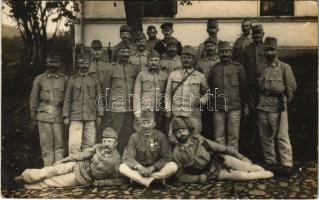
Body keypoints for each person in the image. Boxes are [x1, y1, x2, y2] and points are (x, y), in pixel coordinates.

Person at [14, 127, 125, 189]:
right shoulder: (98, 147)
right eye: (104, 140)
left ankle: (24, 186)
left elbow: (119, 180)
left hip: (82, 178)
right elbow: (81, 155)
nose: (105, 144)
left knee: (52, 182)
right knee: (51, 170)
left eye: (109, 141)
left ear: (116, 143)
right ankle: (22, 177)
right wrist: (64, 160)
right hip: (77, 166)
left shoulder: (116, 161)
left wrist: (101, 183)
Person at [171, 117, 274, 183]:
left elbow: (220, 148)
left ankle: (265, 170)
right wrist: (197, 179)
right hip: (208, 173)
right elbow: (180, 176)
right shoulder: (176, 153)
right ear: (175, 135)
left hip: (219, 159)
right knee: (239, 176)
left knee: (245, 166)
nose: (182, 133)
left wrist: (241, 157)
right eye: (178, 132)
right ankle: (263, 175)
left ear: (188, 131)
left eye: (184, 130)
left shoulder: (198, 138)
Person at [257, 37, 297, 176]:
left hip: (278, 107)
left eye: (272, 49)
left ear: (277, 51)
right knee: (265, 137)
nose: (269, 53)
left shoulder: (285, 67)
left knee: (282, 136)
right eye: (267, 50)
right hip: (262, 106)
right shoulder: (261, 67)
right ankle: (271, 163)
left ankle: (287, 164)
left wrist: (284, 102)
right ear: (263, 51)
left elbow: (291, 87)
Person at [119, 111, 177, 188]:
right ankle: (152, 181)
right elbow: (127, 157)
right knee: (122, 167)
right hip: (139, 170)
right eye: (143, 122)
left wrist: (153, 167)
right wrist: (139, 167)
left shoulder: (161, 136)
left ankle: (141, 181)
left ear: (154, 124)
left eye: (148, 122)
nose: (146, 126)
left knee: (173, 166)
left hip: (156, 170)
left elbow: (167, 157)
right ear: (139, 124)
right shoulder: (134, 137)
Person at [207, 41, 248, 151]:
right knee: (218, 137)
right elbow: (210, 88)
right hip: (218, 107)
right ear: (218, 53)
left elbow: (243, 89)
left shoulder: (238, 68)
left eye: (226, 51)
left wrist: (245, 106)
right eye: (221, 52)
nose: (224, 54)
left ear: (230, 52)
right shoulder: (214, 68)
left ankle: (233, 161)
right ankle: (221, 161)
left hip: (234, 107)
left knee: (233, 137)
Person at [30, 51, 67, 166]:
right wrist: (33, 117)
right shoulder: (39, 79)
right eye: (50, 62)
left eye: (55, 62)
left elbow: (68, 100)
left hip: (59, 116)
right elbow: (33, 99)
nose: (53, 65)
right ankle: (47, 171)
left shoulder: (65, 79)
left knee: (60, 145)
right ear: (46, 62)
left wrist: (67, 116)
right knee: (46, 146)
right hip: (43, 117)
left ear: (59, 63)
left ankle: (58, 171)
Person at [165, 46, 209, 144]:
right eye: (184, 57)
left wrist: (202, 101)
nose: (186, 60)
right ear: (181, 59)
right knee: (174, 140)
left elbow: (207, 92)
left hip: (192, 114)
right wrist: (168, 110)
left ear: (193, 59)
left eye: (189, 58)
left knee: (194, 139)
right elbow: (167, 94)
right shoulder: (173, 74)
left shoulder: (200, 76)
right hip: (177, 113)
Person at [102, 43, 140, 155]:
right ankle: (112, 160)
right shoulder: (111, 68)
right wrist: (106, 109)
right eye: (123, 52)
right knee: (114, 135)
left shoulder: (134, 69)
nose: (126, 54)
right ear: (118, 53)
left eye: (128, 52)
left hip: (129, 110)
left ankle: (125, 160)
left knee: (128, 136)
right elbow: (106, 90)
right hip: (115, 109)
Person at [63, 52, 103, 155]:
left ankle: (85, 168)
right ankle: (73, 167)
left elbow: (99, 99)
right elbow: (67, 99)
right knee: (74, 144)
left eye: (86, 63)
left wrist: (100, 115)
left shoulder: (94, 80)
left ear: (89, 64)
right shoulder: (72, 80)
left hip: (91, 116)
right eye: (81, 63)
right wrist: (66, 116)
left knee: (89, 144)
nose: (84, 66)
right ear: (78, 64)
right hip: (75, 116)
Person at [241, 24, 265, 157]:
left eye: (259, 34)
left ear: (263, 34)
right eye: (255, 34)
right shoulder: (247, 50)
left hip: (263, 87)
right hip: (250, 87)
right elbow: (243, 68)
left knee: (262, 112)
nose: (257, 36)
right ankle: (253, 141)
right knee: (251, 113)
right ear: (252, 35)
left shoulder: (266, 48)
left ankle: (263, 142)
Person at [133, 50, 168, 133]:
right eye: (151, 60)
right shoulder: (141, 75)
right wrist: (137, 112)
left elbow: (167, 94)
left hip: (160, 111)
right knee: (144, 132)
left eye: (156, 60)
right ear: (147, 61)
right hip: (146, 110)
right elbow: (136, 94)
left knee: (160, 132)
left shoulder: (164, 75)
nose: (153, 63)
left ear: (159, 61)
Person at [196, 37, 220, 140]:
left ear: (216, 47)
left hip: (218, 95)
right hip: (204, 94)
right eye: (208, 46)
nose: (210, 48)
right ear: (205, 47)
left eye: (212, 46)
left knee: (217, 122)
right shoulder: (200, 63)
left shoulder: (219, 61)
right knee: (205, 120)